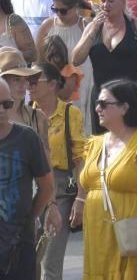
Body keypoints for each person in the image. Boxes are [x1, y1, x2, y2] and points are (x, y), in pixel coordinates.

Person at [72, 79, 137, 277]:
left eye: (103, 104)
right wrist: (79, 199)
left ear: (124, 107)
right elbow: (87, 182)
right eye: (96, 103)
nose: (97, 108)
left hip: (132, 237)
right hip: (98, 235)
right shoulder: (94, 143)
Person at [73, 0, 137, 134]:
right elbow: (76, 59)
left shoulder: (136, 26)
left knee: (131, 142)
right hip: (101, 97)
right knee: (104, 145)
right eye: (103, 1)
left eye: (111, 1)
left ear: (122, 3)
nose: (106, 5)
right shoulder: (93, 26)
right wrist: (92, 32)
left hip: (129, 98)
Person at [0, 76, 56, 280]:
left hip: (19, 243)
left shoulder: (27, 137)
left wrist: (30, 217)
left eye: (7, 104)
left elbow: (47, 187)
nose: (1, 110)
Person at [31, 62, 79, 280]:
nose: (28, 85)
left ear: (52, 84)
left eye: (34, 80)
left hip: (60, 189)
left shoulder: (70, 113)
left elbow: (80, 158)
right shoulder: (23, 113)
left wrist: (81, 197)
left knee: (51, 259)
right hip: (29, 186)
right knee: (29, 259)